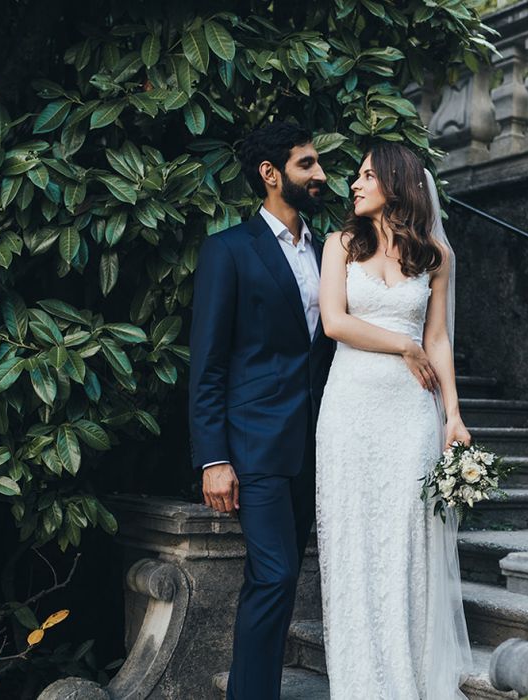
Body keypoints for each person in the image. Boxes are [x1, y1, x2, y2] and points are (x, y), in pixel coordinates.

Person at [316, 141, 473, 698]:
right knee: (353, 544)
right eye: (355, 177)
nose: (354, 185)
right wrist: (402, 347)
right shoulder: (339, 245)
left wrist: (452, 415)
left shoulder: (435, 257)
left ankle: (407, 682)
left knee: (405, 544)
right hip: (350, 410)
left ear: (395, 183)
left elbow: (438, 338)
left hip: (411, 414)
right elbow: (334, 322)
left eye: (364, 176)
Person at [188, 121, 335, 700]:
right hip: (252, 446)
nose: (320, 174)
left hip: (312, 444)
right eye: (307, 164)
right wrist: (213, 458)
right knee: (272, 575)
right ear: (271, 175)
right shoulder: (228, 250)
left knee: (282, 577)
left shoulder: (329, 254)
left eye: (317, 163)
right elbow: (208, 364)